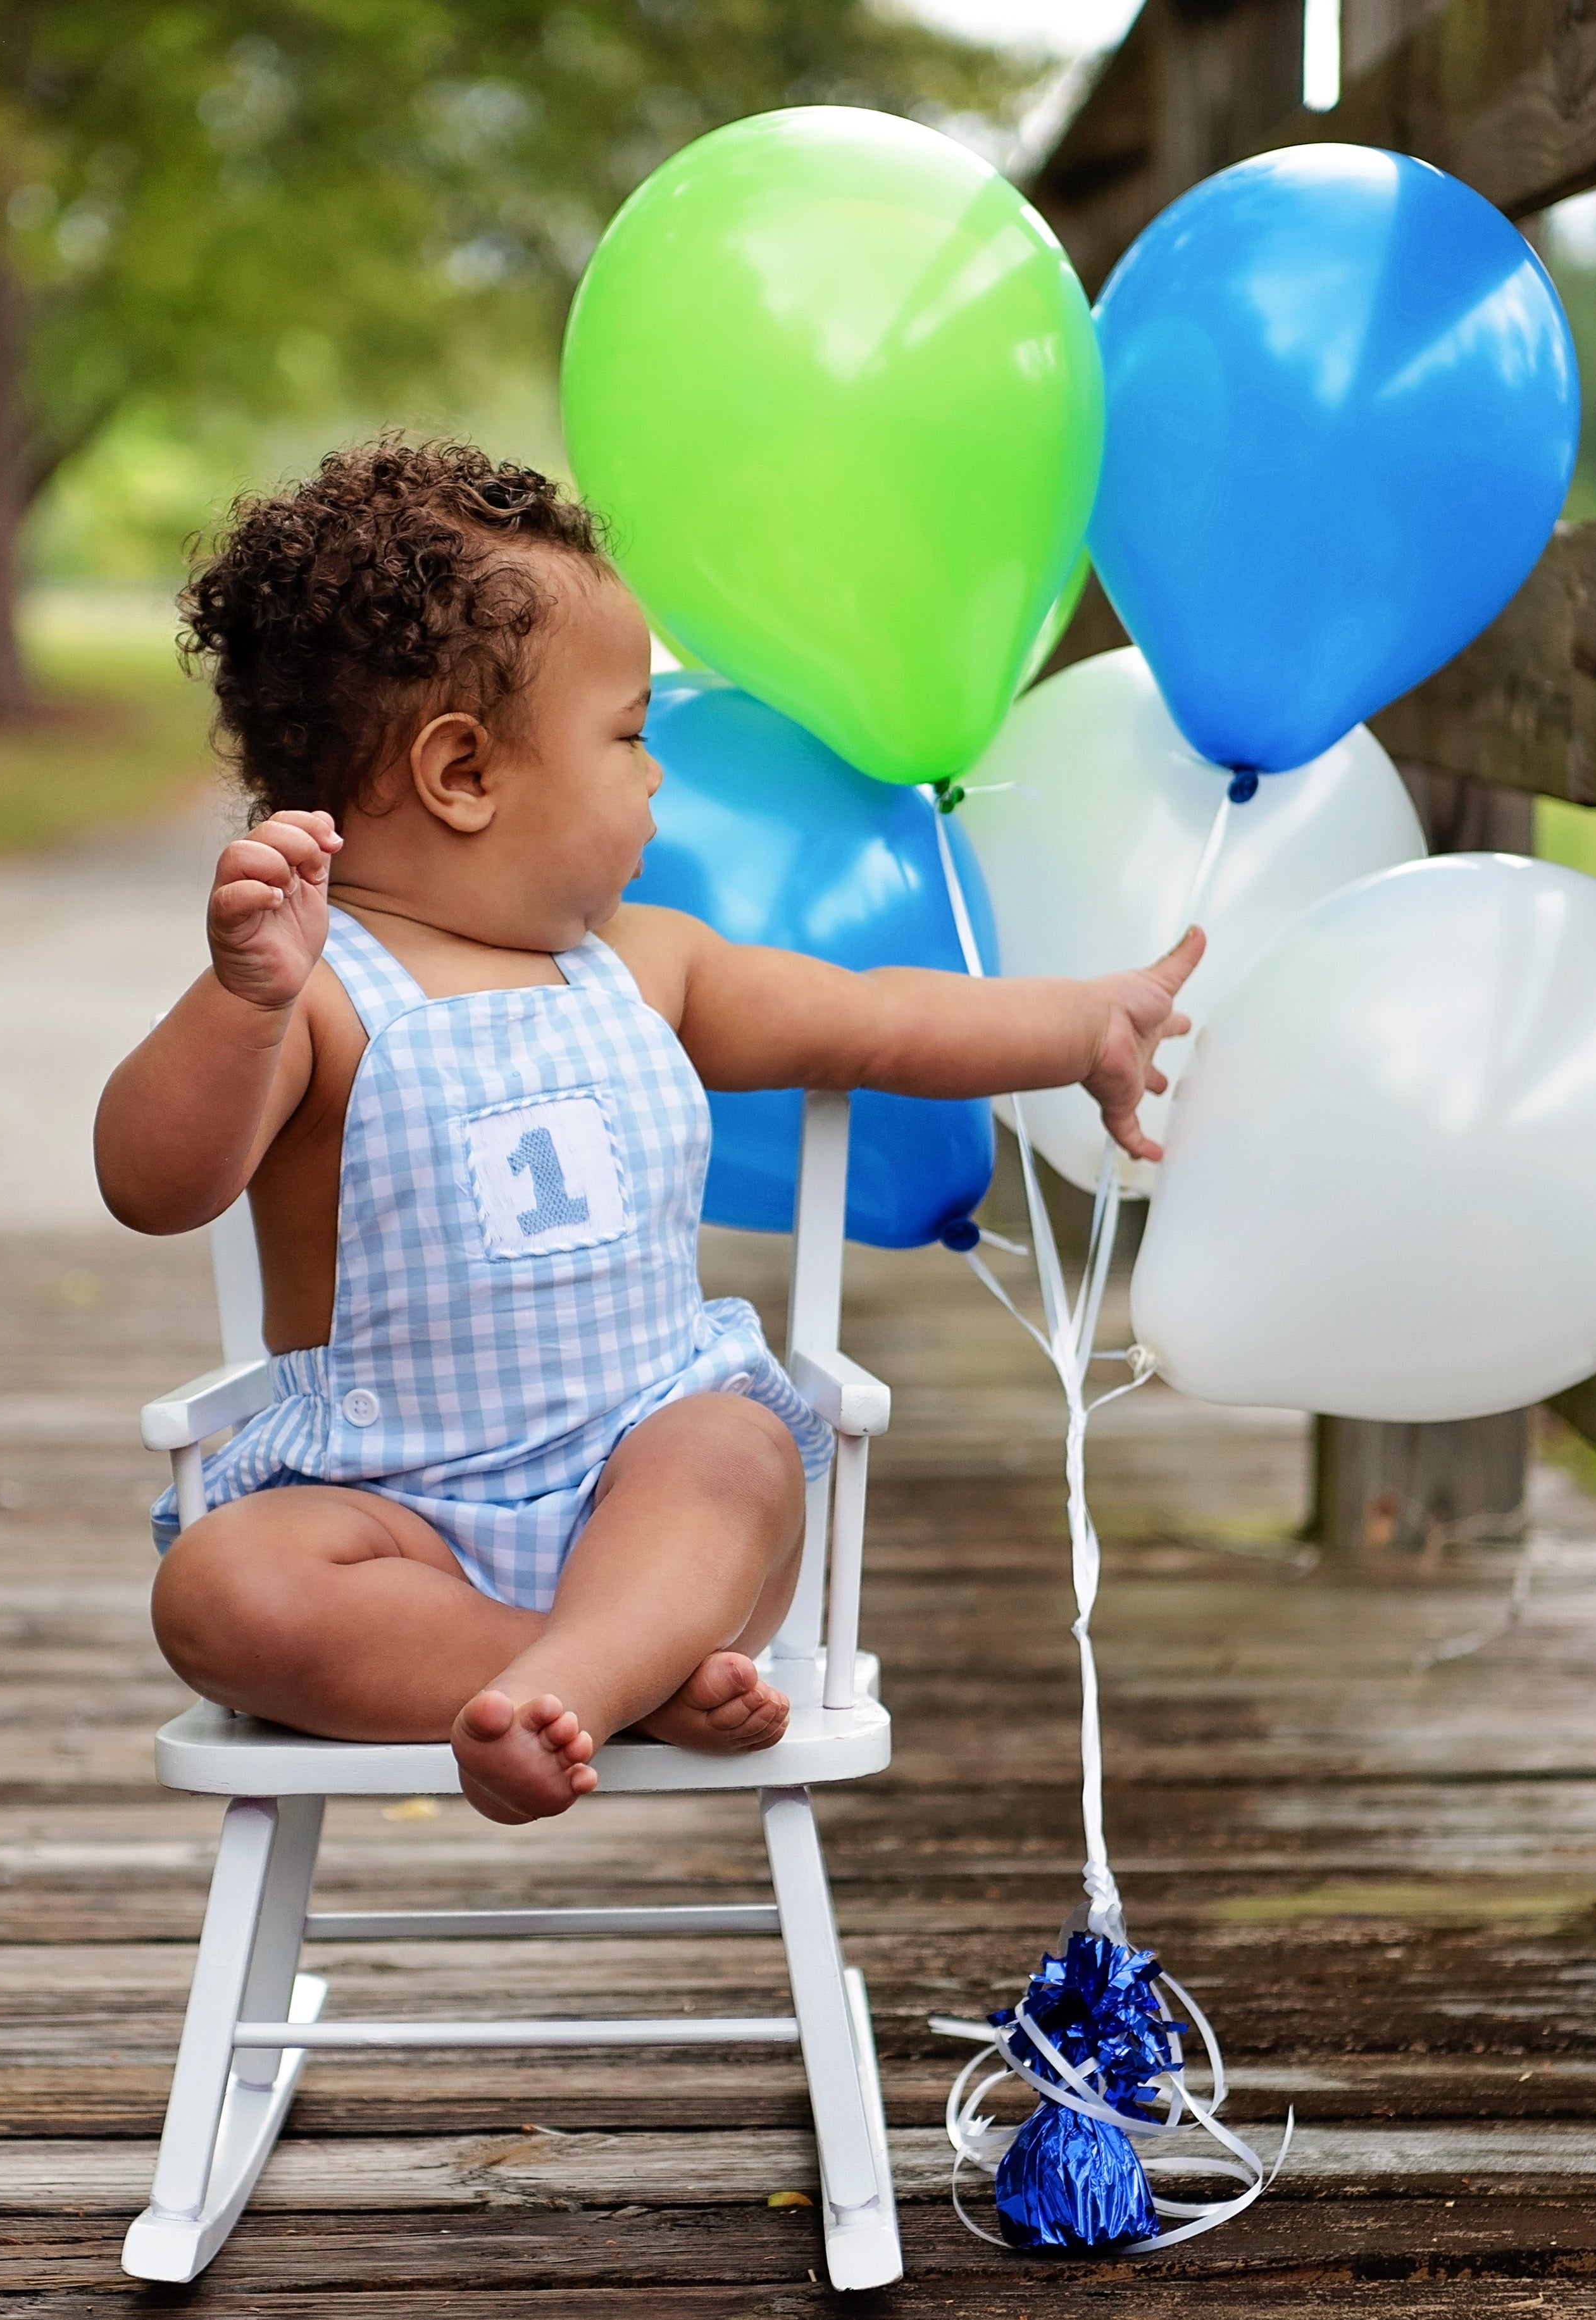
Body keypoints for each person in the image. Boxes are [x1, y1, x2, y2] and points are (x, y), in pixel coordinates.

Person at [96, 438, 1201, 1824]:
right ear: (462, 773)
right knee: (218, 1588)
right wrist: (236, 1003)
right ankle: (597, 1685)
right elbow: (153, 1183)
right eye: (629, 736)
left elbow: (872, 1017)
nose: (657, 778)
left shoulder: (648, 963)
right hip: (387, 1517)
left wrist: (1081, 1028)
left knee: (732, 1449)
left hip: (645, 1473)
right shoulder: (314, 999)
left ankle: (600, 1663)